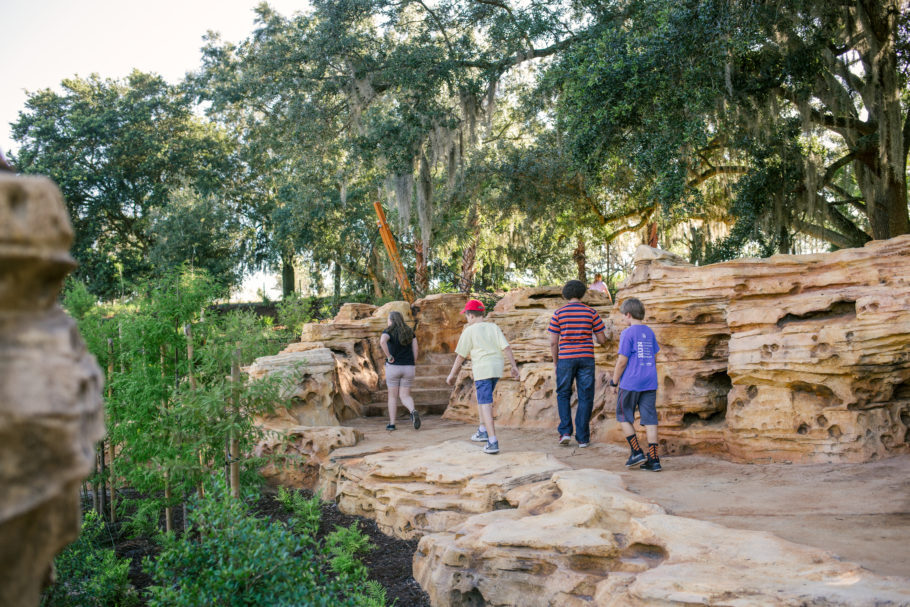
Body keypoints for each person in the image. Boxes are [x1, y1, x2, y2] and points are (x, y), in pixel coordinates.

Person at [446, 299, 519, 454]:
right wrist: (514, 366)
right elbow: (506, 347)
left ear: (470, 316)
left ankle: (492, 441)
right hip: (496, 368)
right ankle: (482, 430)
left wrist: (452, 374)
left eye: (466, 316)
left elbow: (460, 356)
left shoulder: (469, 331)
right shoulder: (493, 327)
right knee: (481, 397)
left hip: (483, 369)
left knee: (485, 403)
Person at [549, 280, 607, 448]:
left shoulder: (558, 313)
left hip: (566, 359)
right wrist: (597, 338)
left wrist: (555, 362)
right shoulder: (591, 312)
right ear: (582, 294)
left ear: (565, 295)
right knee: (585, 396)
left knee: (563, 394)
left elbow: (553, 342)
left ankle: (565, 432)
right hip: (586, 358)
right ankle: (582, 438)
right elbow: (602, 339)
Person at [610, 297, 661, 471]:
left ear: (629, 315)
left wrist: (614, 381)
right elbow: (654, 356)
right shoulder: (650, 332)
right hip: (649, 381)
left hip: (631, 382)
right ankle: (654, 460)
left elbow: (622, 361)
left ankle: (636, 451)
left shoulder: (627, 333)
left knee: (623, 415)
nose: (623, 319)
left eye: (623, 316)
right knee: (650, 419)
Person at [380, 310, 421, 431]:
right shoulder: (409, 331)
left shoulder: (388, 331)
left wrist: (389, 356)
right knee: (405, 396)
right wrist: (412, 362)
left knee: (392, 397)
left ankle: (392, 424)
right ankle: (413, 411)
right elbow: (416, 349)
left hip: (394, 367)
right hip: (409, 367)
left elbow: (382, 341)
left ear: (391, 320)